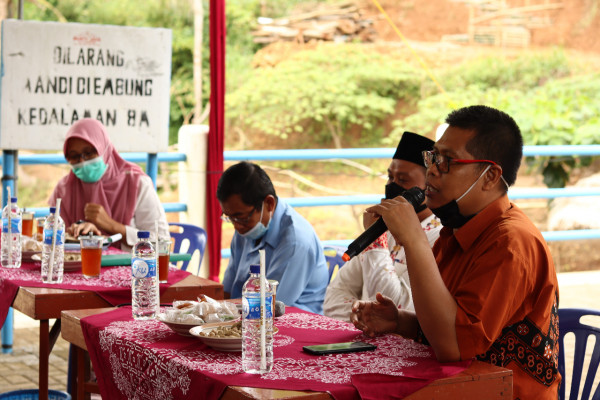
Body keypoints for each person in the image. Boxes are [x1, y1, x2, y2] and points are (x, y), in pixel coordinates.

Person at [350, 105, 560, 399]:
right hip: (461, 385)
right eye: (433, 157)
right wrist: (402, 322)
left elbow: (454, 347)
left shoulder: (511, 241)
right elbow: (454, 324)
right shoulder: (455, 231)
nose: (433, 169)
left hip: (506, 392)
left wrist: (414, 240)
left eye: (448, 160)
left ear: (489, 176)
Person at [323, 132, 441, 321]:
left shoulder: (439, 238)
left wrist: (377, 244)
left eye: (403, 180)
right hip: (365, 340)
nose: (392, 186)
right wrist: (366, 320)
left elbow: (398, 305)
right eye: (390, 177)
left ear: (429, 185)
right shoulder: (386, 227)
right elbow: (334, 297)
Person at [217, 161, 329, 314]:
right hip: (247, 313)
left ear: (269, 204)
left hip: (291, 321)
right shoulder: (245, 226)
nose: (236, 226)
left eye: (240, 217)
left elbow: (269, 306)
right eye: (229, 218)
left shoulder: (295, 241)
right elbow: (228, 291)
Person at [48, 118, 169, 248]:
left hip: (132, 266)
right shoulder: (64, 189)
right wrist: (79, 235)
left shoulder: (136, 184)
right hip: (81, 266)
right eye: (74, 156)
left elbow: (162, 242)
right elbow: (53, 243)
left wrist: (111, 225)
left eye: (89, 153)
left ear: (104, 148)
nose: (82, 161)